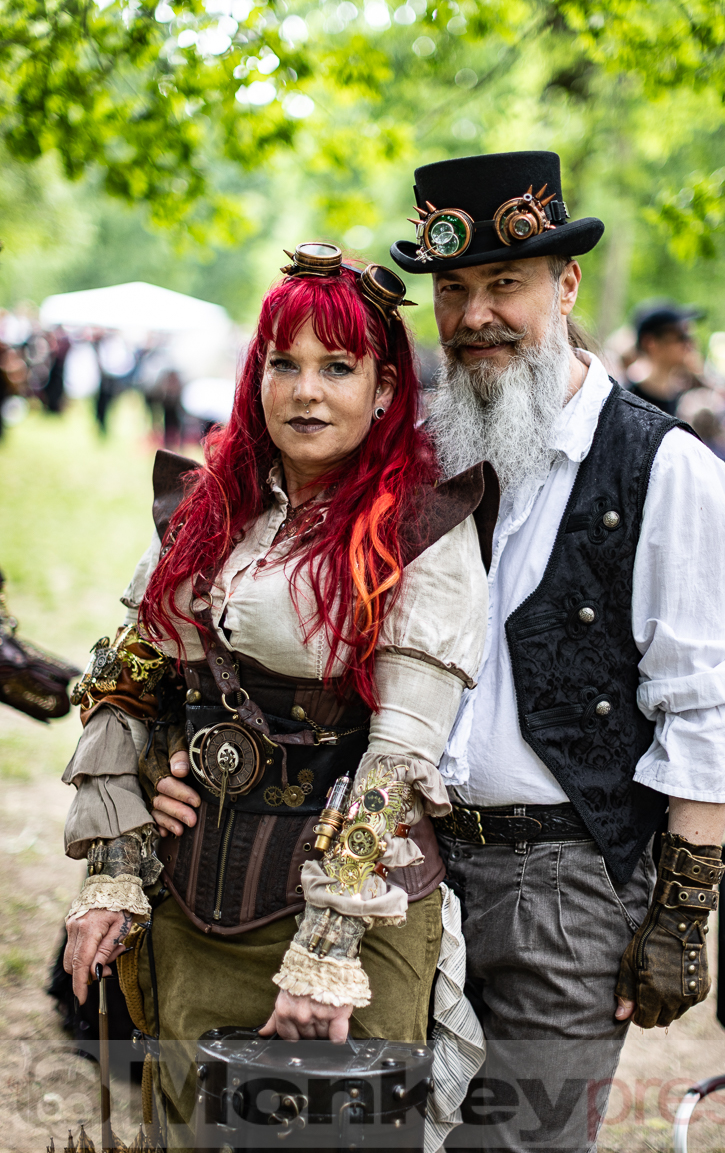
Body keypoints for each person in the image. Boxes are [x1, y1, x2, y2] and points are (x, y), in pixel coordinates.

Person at [61, 246, 494, 1150]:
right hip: (191, 905)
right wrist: (120, 849)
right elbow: (128, 681)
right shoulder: (209, 507)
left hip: (348, 920)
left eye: (338, 368)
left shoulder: (422, 529)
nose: (306, 392)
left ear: (384, 389)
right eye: (283, 364)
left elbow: (400, 759)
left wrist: (324, 955)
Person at [390, 151, 725, 1153]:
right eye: (454, 290)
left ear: (563, 288)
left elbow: (699, 704)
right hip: (406, 870)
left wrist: (681, 913)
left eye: (503, 285)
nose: (475, 315)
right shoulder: (422, 459)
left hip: (565, 885)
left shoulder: (666, 469)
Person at [625, 300, 703, 415]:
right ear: (650, 343)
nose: (690, 345)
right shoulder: (628, 402)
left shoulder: (684, 400)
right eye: (681, 337)